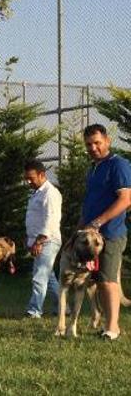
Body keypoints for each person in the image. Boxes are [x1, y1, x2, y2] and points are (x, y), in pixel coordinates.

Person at [80, 124, 131, 340]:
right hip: (90, 236)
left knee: (109, 280)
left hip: (110, 234)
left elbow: (126, 199)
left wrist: (99, 222)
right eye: (89, 144)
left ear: (107, 141)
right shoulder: (93, 169)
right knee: (100, 280)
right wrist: (80, 228)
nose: (93, 148)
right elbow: (90, 202)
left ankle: (113, 329)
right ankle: (107, 326)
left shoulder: (118, 165)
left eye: (97, 143)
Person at [23, 160, 62, 318]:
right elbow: (34, 218)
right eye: (26, 178)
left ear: (42, 175)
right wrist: (30, 239)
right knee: (49, 276)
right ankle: (62, 308)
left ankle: (34, 311)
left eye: (31, 178)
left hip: (48, 240)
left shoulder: (50, 193)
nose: (28, 181)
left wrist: (39, 241)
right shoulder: (37, 192)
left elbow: (50, 219)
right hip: (38, 240)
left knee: (39, 275)